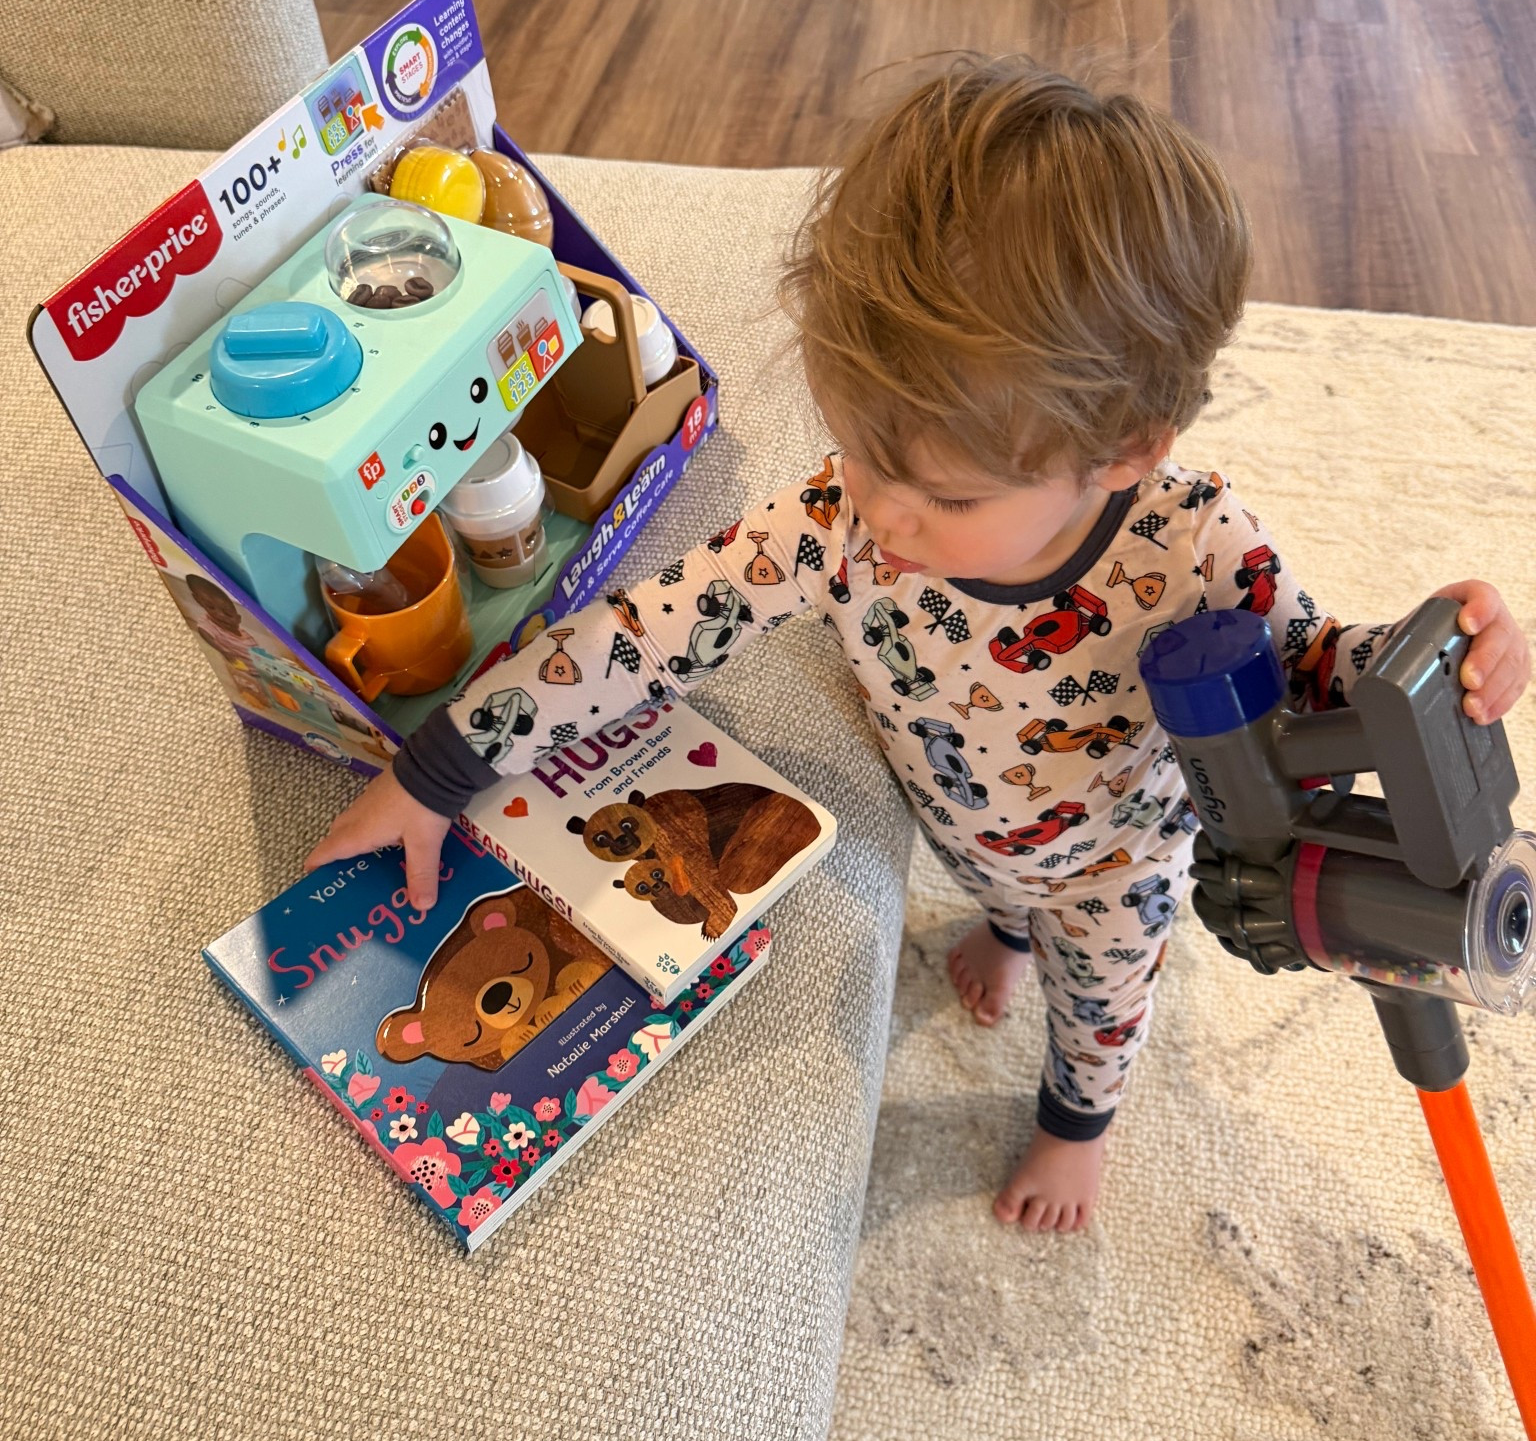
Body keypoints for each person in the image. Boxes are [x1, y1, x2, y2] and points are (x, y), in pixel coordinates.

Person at [305, 60, 1530, 1233]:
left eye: (944, 494)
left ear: (1125, 450)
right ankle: (1006, 925)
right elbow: (641, 634)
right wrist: (442, 766)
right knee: (999, 903)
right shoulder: (839, 520)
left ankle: (1078, 1122)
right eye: (860, 450)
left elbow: (1316, 666)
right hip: (962, 826)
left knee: (1103, 1003)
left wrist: (1433, 658)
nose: (884, 515)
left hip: (1114, 863)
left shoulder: (1196, 543)